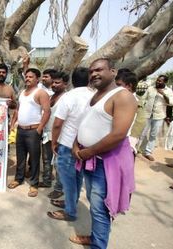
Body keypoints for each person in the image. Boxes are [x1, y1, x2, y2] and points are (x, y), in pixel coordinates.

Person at [70, 58, 137, 248]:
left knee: (100, 209)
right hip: (89, 158)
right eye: (91, 71)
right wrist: (76, 145)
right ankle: (95, 237)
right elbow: (84, 123)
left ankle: (98, 245)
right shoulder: (95, 96)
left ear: (113, 71)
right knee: (95, 204)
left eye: (99, 70)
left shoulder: (122, 96)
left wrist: (87, 152)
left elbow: (118, 134)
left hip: (105, 162)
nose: (94, 74)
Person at [47, 68, 95, 221]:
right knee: (77, 177)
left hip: (67, 144)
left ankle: (70, 212)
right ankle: (71, 202)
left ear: (72, 81)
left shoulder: (68, 97)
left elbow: (57, 123)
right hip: (86, 145)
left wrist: (54, 142)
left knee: (68, 179)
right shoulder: (95, 95)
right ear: (89, 80)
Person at [7, 68, 50, 197]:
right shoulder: (22, 92)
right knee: (20, 157)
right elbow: (17, 110)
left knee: (35, 158)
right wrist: (13, 123)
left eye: (31, 77)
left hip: (33, 130)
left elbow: (47, 111)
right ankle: (18, 179)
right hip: (21, 129)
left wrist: (39, 128)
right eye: (26, 76)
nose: (27, 78)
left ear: (37, 79)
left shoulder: (41, 93)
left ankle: (34, 184)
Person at [39, 71, 66, 190]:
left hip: (60, 136)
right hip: (47, 134)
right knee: (46, 158)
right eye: (53, 82)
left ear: (65, 84)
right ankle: (46, 180)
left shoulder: (67, 98)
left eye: (57, 82)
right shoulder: (50, 97)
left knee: (59, 163)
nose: (54, 84)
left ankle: (59, 188)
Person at [140, 75, 173, 161]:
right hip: (147, 114)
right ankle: (136, 149)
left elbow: (171, 103)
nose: (158, 82)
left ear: (165, 82)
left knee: (153, 135)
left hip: (159, 116)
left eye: (160, 81)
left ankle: (148, 152)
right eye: (157, 80)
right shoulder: (151, 88)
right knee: (142, 133)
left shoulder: (168, 91)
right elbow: (143, 98)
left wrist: (164, 94)